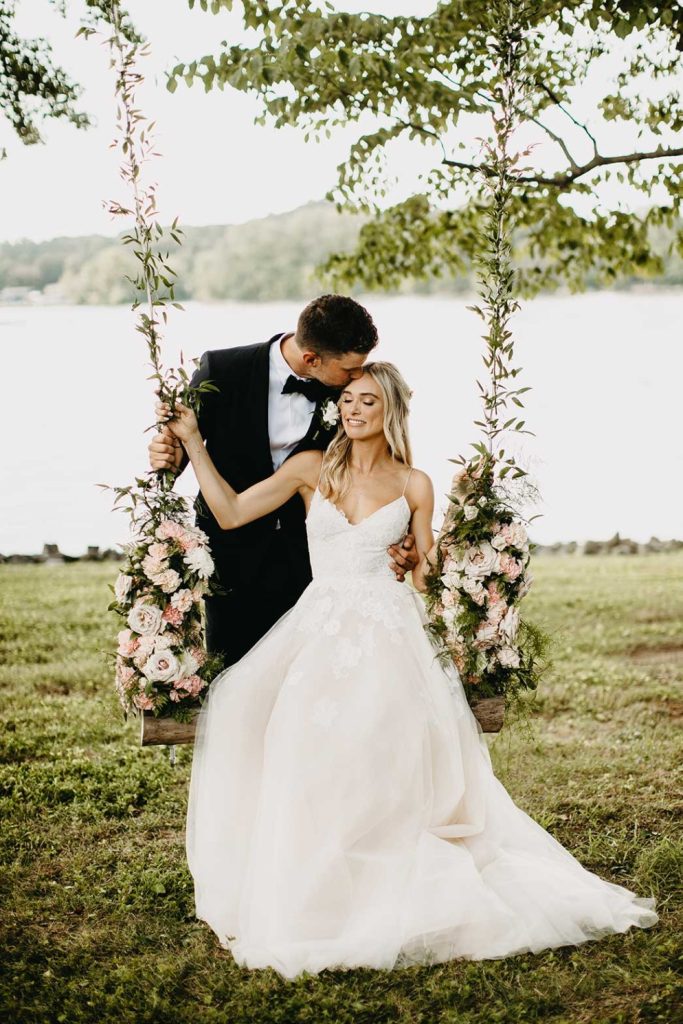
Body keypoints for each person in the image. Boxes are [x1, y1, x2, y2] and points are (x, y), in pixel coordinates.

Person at [158, 361, 658, 980]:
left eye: (366, 401)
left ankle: (386, 878)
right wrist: (195, 444)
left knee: (382, 750)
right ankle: (315, 883)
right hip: (318, 627)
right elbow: (231, 512)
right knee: (276, 727)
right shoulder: (311, 468)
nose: (352, 409)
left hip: (389, 633)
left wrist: (421, 554)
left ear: (390, 410)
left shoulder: (415, 483)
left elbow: (425, 578)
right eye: (346, 399)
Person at [148, 294, 418, 666]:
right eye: (350, 369)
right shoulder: (221, 370)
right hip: (231, 556)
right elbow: (180, 445)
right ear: (312, 359)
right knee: (232, 677)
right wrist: (167, 454)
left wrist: (395, 535)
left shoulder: (347, 393)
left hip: (309, 560)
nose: (357, 376)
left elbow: (373, 468)